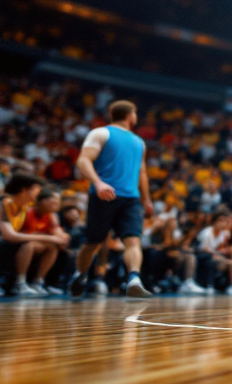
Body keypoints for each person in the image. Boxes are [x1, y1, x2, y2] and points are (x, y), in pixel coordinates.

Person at [68, 100, 154, 299]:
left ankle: (134, 279)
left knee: (133, 239)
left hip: (131, 199)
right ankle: (80, 276)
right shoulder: (101, 133)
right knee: (93, 242)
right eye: (135, 113)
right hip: (104, 195)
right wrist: (98, 183)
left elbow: (142, 172)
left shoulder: (139, 142)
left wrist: (146, 199)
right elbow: (83, 159)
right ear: (130, 115)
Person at [2, 174, 71, 297]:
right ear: (24, 190)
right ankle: (18, 284)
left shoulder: (23, 206)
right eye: (35, 190)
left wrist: (59, 236)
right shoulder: (4, 203)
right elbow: (10, 236)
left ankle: (37, 283)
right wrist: (49, 237)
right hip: (5, 241)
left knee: (52, 247)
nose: (37, 194)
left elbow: (51, 216)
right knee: (25, 244)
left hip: (8, 244)